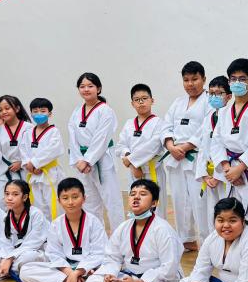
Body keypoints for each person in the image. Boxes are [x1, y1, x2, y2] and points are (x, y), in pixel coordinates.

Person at [84, 179, 183, 282]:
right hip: (128, 277)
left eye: (143, 194)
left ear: (154, 203)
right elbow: (112, 258)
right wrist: (110, 275)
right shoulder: (124, 227)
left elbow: (169, 269)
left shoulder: (163, 230)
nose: (136, 197)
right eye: (132, 194)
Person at [208, 59, 248, 234]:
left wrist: (240, 168)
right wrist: (227, 168)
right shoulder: (224, 112)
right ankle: (234, 251)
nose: (237, 82)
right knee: (230, 216)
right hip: (230, 170)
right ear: (229, 82)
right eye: (233, 79)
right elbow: (216, 142)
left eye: (242, 79)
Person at [19, 177, 108, 282]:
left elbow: (99, 253)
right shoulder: (56, 224)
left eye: (75, 197)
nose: (70, 202)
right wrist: (70, 273)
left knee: (107, 273)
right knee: (25, 270)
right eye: (65, 198)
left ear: (84, 198)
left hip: (88, 268)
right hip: (66, 268)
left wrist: (78, 272)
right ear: (59, 201)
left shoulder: (94, 222)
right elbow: (54, 254)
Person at [161, 61, 210, 251]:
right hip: (175, 157)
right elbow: (166, 125)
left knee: (200, 202)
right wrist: (170, 145)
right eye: (186, 80)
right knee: (179, 199)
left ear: (203, 79)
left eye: (195, 79)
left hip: (196, 157)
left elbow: (207, 128)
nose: (190, 84)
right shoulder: (178, 102)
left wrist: (187, 146)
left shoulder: (209, 101)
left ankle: (207, 242)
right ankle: (186, 239)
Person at [68, 72, 124, 229]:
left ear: (98, 89)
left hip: (102, 160)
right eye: (82, 86)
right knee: (89, 202)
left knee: (112, 201)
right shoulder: (76, 111)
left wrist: (88, 160)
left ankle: (119, 237)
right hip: (82, 163)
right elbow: (72, 137)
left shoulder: (105, 110)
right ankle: (95, 236)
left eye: (90, 86)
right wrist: (79, 160)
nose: (86, 89)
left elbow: (102, 138)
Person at [0, 180, 49, 282]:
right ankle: (11, 271)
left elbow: (33, 243)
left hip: (35, 251)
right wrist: (5, 258)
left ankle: (6, 271)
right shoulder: (8, 216)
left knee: (27, 257)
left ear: (25, 197)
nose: (9, 198)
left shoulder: (36, 214)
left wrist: (9, 258)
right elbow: (6, 242)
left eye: (15, 194)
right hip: (15, 254)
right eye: (7, 194)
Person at [116, 84, 168, 207]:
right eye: (137, 99)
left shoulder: (159, 123)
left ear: (152, 100)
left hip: (152, 172)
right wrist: (132, 163)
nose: (141, 102)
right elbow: (121, 146)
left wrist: (131, 160)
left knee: (156, 208)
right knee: (136, 207)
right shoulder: (129, 123)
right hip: (134, 173)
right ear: (132, 103)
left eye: (144, 98)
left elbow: (153, 147)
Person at [193, 76, 231, 241]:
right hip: (209, 176)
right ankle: (213, 247)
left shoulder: (231, 117)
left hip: (225, 174)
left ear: (228, 96)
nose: (214, 97)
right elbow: (203, 147)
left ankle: (228, 247)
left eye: (219, 93)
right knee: (212, 214)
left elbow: (229, 148)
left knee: (227, 214)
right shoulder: (209, 117)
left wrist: (218, 175)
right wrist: (204, 174)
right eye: (211, 93)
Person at [21, 97, 66, 220]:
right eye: (35, 111)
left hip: (49, 173)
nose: (39, 114)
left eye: (42, 111)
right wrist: (28, 165)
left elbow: (53, 150)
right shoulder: (27, 133)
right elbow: (23, 150)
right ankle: (42, 230)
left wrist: (35, 163)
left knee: (54, 204)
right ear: (31, 114)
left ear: (49, 114)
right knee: (38, 206)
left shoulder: (54, 132)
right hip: (33, 175)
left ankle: (56, 229)